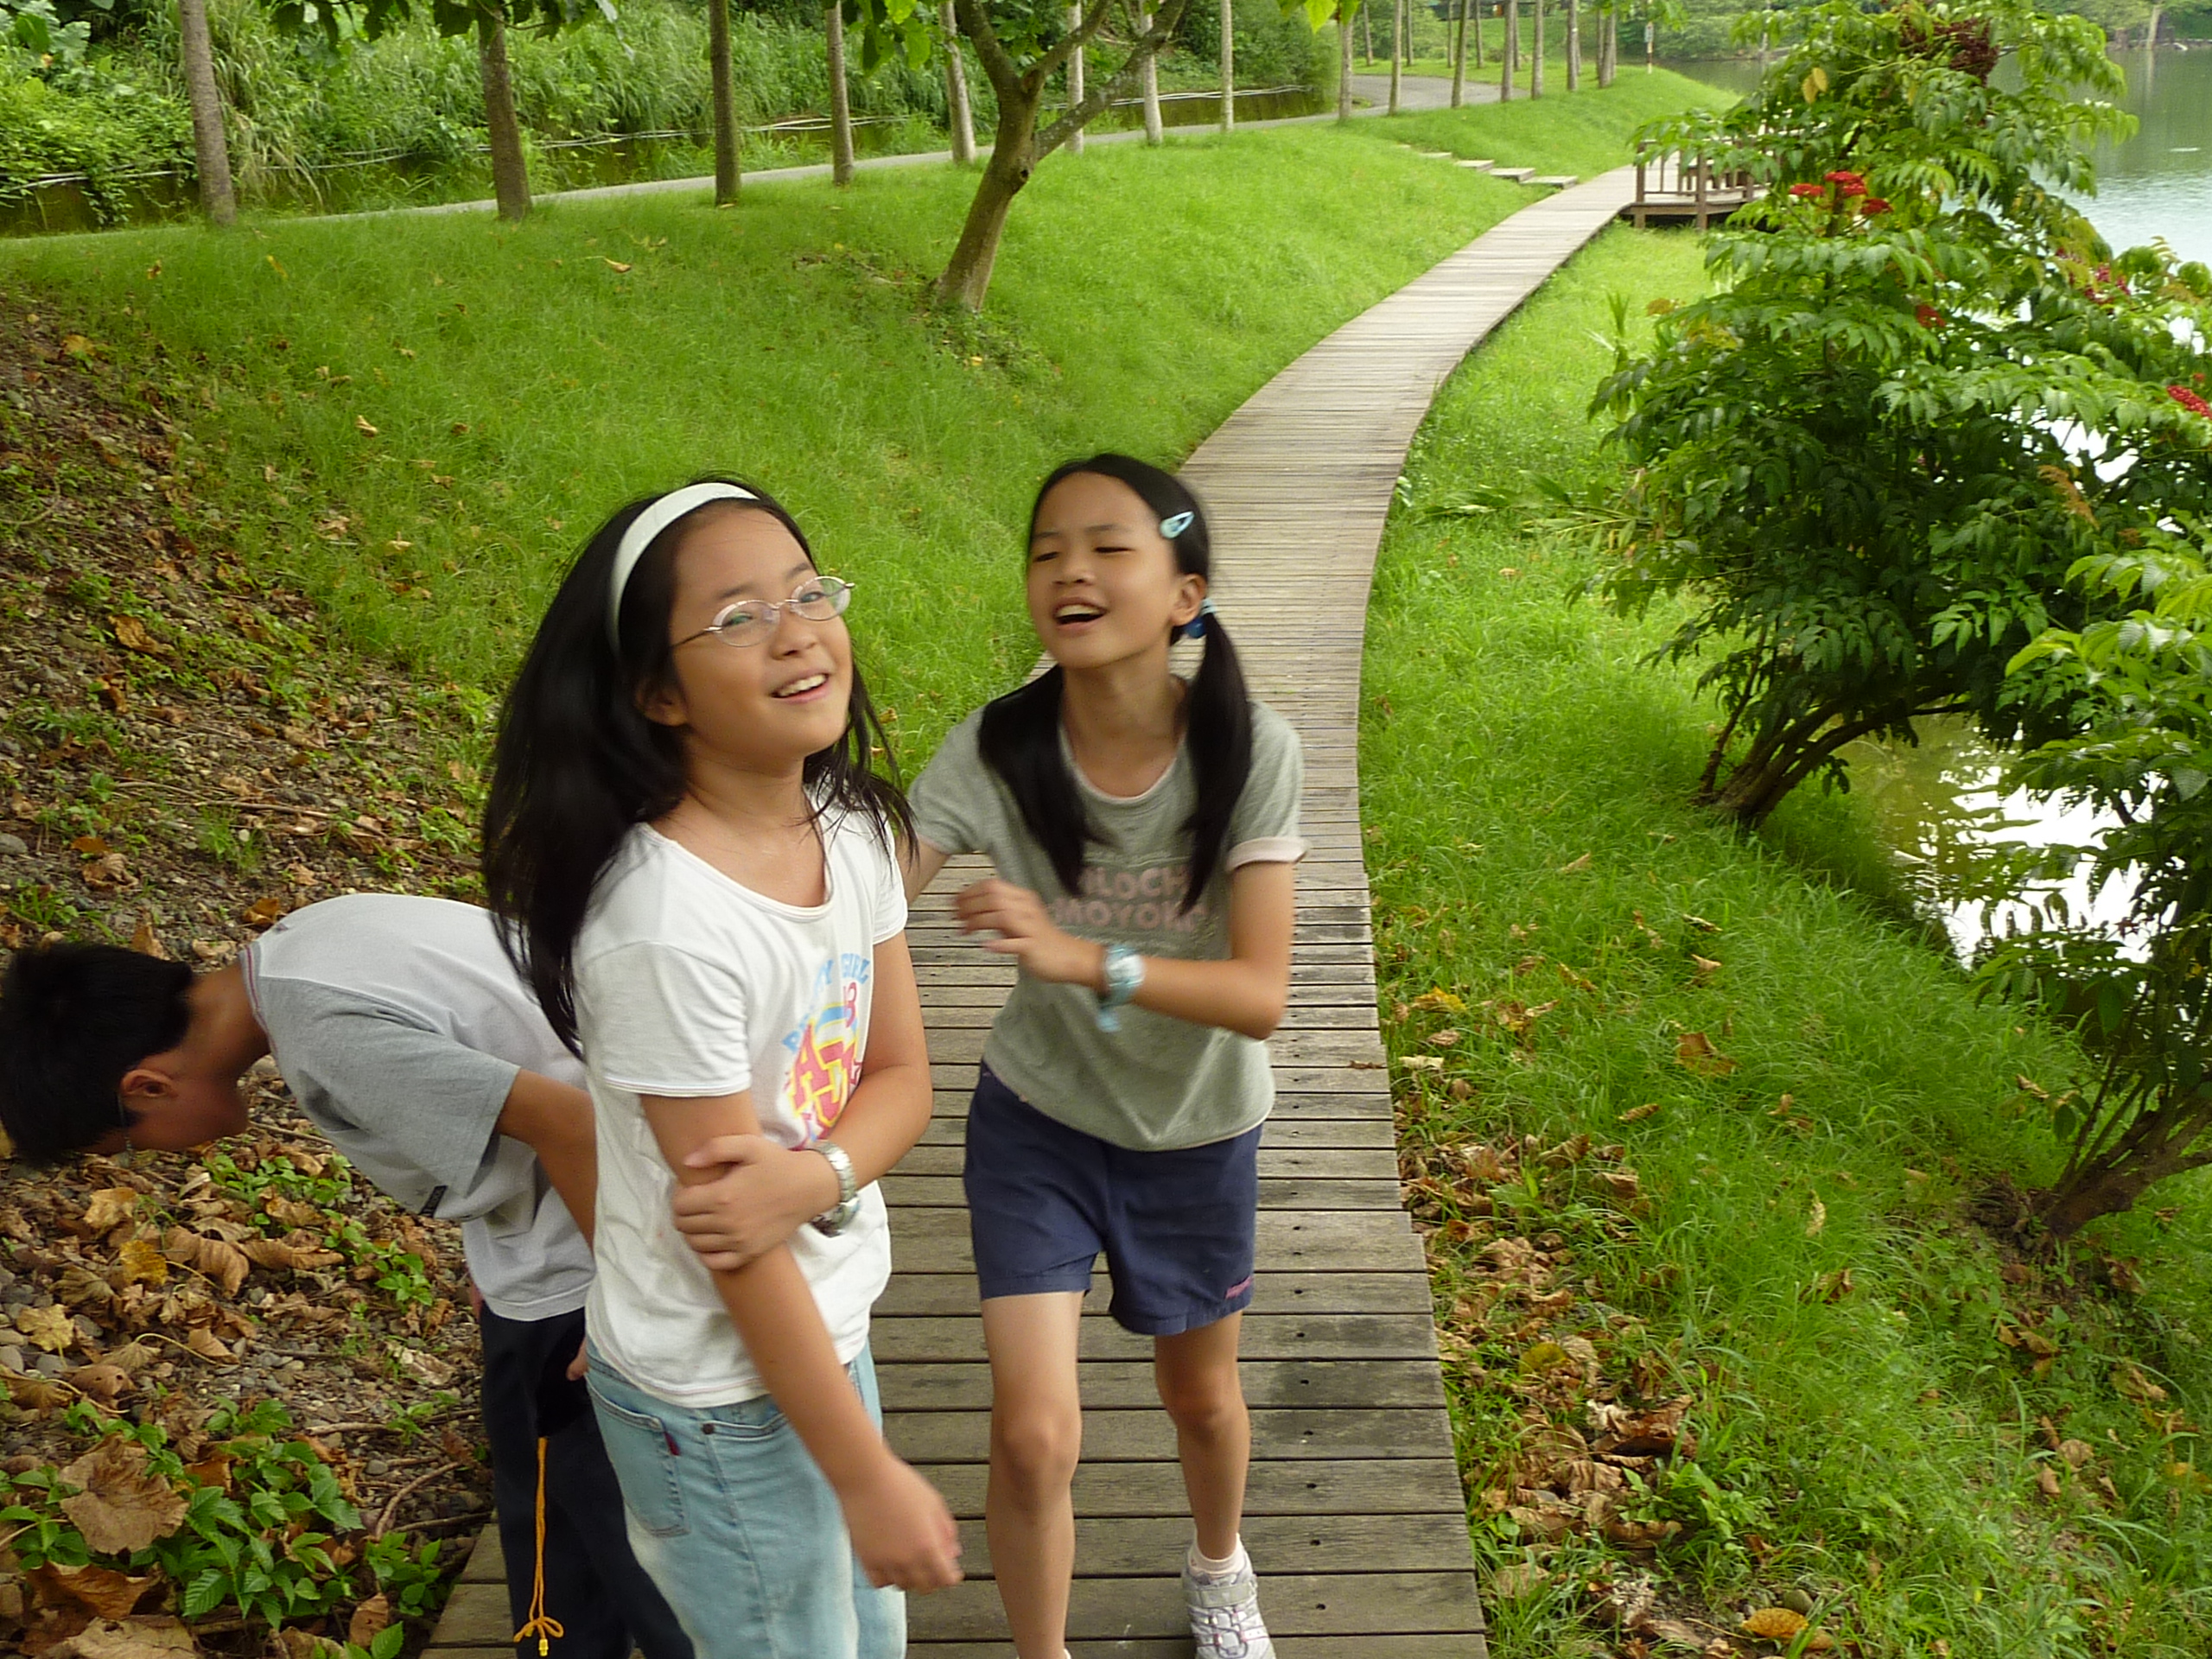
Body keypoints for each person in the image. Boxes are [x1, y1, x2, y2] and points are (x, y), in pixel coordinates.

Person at [480, 477, 963, 1659]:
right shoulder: (663, 924)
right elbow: (732, 1243)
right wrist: (868, 1477)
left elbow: (902, 1076)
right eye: (738, 617)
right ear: (658, 692)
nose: (796, 632)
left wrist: (815, 1176)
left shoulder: (849, 827)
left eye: (809, 593)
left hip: (826, 1335)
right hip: (709, 1395)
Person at [0, 894, 693, 1659]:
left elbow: (569, 1123)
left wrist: (626, 1304)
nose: (161, 1156)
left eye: (128, 1147)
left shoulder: (324, 1032)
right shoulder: (306, 944)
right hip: (579, 1230)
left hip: (595, 1266)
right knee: (555, 1528)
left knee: (634, 1548)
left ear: (147, 1088)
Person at [904, 454, 1305, 1659]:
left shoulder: (1248, 750)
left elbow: (1261, 996)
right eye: (1046, 550)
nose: (1069, 571)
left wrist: (1079, 956)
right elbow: (862, 894)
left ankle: (1220, 1567)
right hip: (1037, 1121)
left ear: (1186, 596)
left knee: (1200, 1400)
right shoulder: (994, 748)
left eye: (1108, 547)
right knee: (1034, 1435)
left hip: (1198, 1130)